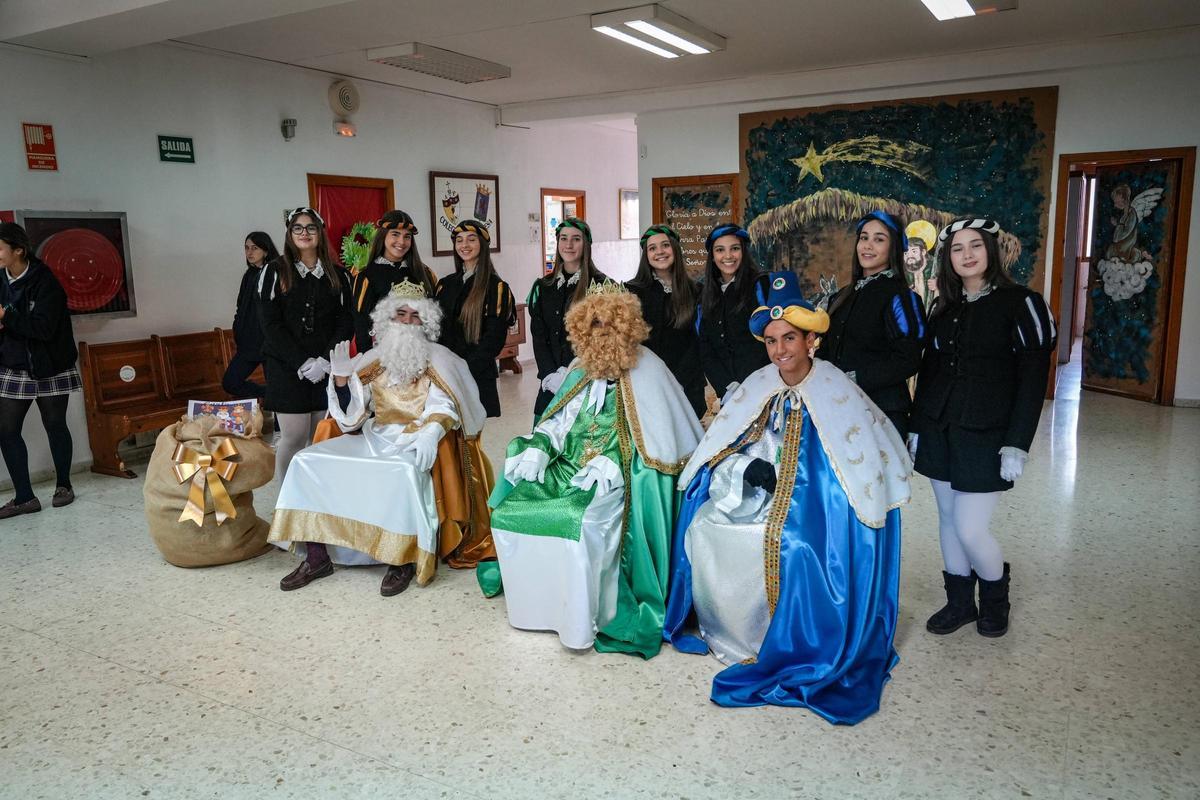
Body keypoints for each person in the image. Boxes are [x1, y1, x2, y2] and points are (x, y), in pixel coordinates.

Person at [665, 271, 911, 724]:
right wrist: (741, 469)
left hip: (815, 504)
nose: (781, 351)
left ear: (810, 340)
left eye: (790, 339)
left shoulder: (834, 387)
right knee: (705, 524)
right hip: (755, 488)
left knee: (793, 544)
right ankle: (736, 631)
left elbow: (852, 463)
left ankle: (788, 637)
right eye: (773, 341)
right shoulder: (761, 382)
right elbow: (735, 438)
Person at [487, 283, 703, 657]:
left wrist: (615, 464)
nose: (602, 333)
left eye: (610, 325)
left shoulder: (650, 371)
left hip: (613, 476)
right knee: (512, 509)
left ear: (627, 328)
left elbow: (654, 443)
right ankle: (536, 605)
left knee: (580, 520)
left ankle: (583, 613)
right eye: (595, 325)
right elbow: (558, 421)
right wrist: (539, 447)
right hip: (567, 465)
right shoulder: (580, 372)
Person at [269, 280, 494, 595]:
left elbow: (448, 405)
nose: (406, 321)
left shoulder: (441, 359)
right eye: (399, 314)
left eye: (414, 315)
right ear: (387, 319)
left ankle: (401, 559)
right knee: (307, 460)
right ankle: (317, 556)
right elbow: (351, 417)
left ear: (425, 321)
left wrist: (431, 432)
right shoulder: (374, 359)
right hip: (375, 434)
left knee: (400, 471)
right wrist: (344, 382)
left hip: (414, 438)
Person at [910, 217, 1057, 638]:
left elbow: (1033, 380)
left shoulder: (1021, 302)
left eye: (975, 246)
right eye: (957, 249)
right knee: (946, 518)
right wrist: (918, 427)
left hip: (988, 432)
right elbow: (931, 371)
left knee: (970, 527)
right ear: (948, 257)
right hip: (939, 427)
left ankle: (995, 597)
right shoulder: (945, 307)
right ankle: (960, 603)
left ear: (991, 251)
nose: (967, 255)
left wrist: (1017, 443)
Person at [259, 208, 353, 481]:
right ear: (289, 234)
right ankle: (287, 500)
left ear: (320, 232)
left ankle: (314, 497)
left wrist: (325, 361)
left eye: (311, 227)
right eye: (297, 228)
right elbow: (270, 325)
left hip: (326, 367)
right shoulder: (273, 272)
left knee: (320, 436)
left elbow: (345, 323)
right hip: (287, 368)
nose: (304, 233)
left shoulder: (339, 275)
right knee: (294, 436)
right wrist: (301, 362)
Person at [817, 211, 927, 438]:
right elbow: (828, 349)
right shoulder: (841, 296)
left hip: (882, 412)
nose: (868, 246)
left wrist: (855, 378)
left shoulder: (901, 298)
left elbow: (908, 359)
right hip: (840, 408)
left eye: (879, 239)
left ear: (893, 247)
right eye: (864, 237)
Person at [0, 222, 81, 517]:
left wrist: (6, 318)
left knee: (55, 424)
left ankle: (63, 486)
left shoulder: (45, 281)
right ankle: (24, 497)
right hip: (14, 365)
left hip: (51, 365)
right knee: (6, 430)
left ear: (18, 251)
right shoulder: (0, 279)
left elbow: (44, 329)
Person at [624, 224, 705, 419]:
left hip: (687, 381)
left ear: (675, 249)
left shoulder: (696, 291)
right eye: (652, 248)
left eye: (665, 245)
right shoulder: (631, 291)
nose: (660, 252)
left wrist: (680, 377)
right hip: (645, 381)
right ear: (646, 255)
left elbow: (700, 340)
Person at [527, 218, 607, 417]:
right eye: (564, 238)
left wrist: (572, 373)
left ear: (586, 244)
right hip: (550, 381)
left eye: (576, 239)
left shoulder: (601, 286)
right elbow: (539, 336)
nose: (569, 245)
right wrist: (549, 374)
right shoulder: (543, 287)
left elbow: (602, 340)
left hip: (586, 381)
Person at [435, 219, 515, 417]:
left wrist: (464, 370)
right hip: (444, 374)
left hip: (475, 375)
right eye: (459, 240)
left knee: (472, 441)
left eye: (471, 239)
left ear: (482, 244)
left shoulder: (496, 287)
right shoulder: (445, 284)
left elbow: (493, 340)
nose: (464, 245)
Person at [696, 223, 769, 406]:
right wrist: (726, 387)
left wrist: (754, 384)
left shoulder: (761, 286)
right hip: (729, 394)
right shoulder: (705, 296)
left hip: (765, 386)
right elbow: (706, 349)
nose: (728, 256)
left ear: (743, 252)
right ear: (712, 257)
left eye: (734, 249)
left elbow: (773, 335)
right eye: (720, 250)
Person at [350, 210, 438, 353]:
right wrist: (367, 362)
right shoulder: (366, 276)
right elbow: (361, 325)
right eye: (395, 234)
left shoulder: (426, 274)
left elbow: (434, 319)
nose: (401, 242)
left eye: (407, 236)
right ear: (383, 236)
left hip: (424, 354)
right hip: (383, 357)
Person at [221, 231, 278, 399]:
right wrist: (238, 328)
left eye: (255, 248)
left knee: (277, 385)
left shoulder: (276, 272)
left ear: (266, 251)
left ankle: (279, 422)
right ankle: (268, 394)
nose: (250, 252)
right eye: (246, 248)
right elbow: (241, 307)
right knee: (230, 382)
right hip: (249, 344)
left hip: (270, 344)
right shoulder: (249, 275)